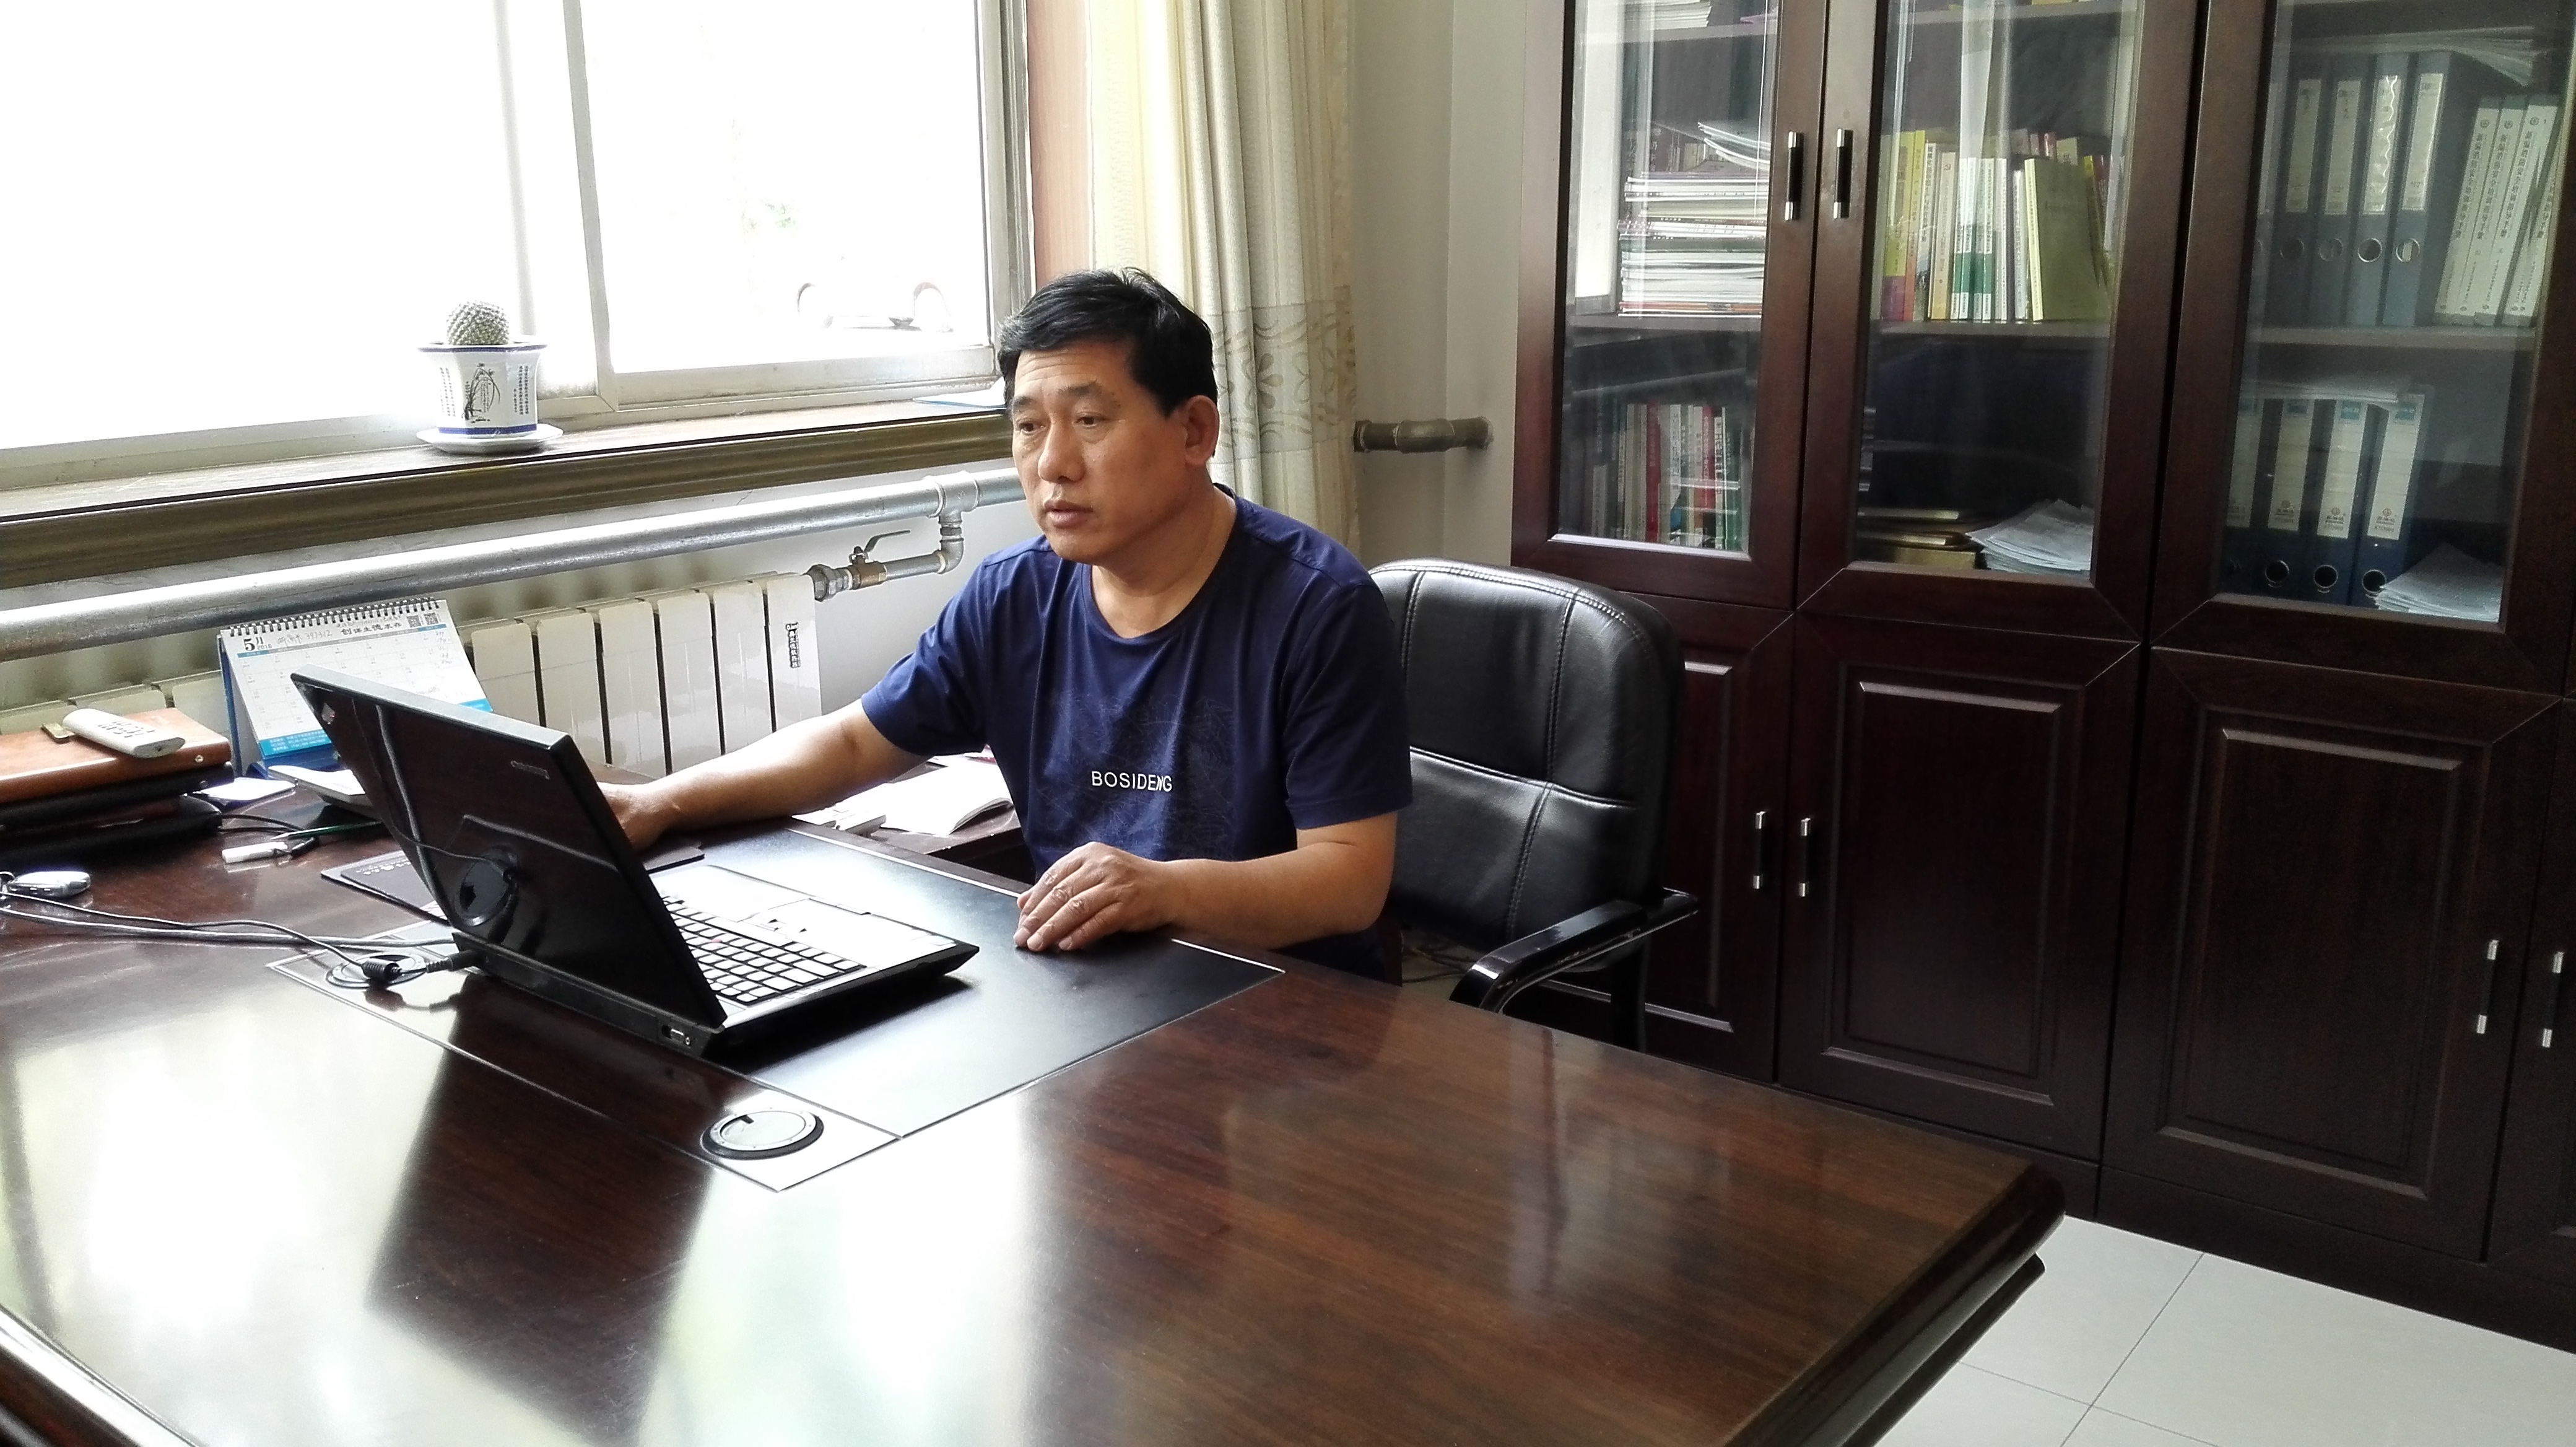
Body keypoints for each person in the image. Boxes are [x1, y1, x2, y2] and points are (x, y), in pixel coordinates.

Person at [604, 269, 1411, 973]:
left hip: (1282, 1004)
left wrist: (1163, 892)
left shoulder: (1317, 608)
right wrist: (663, 803)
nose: (1052, 463)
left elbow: (1347, 881)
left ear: (1194, 431)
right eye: (1029, 427)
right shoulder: (1014, 597)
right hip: (1089, 983)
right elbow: (853, 742)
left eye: (1090, 421)